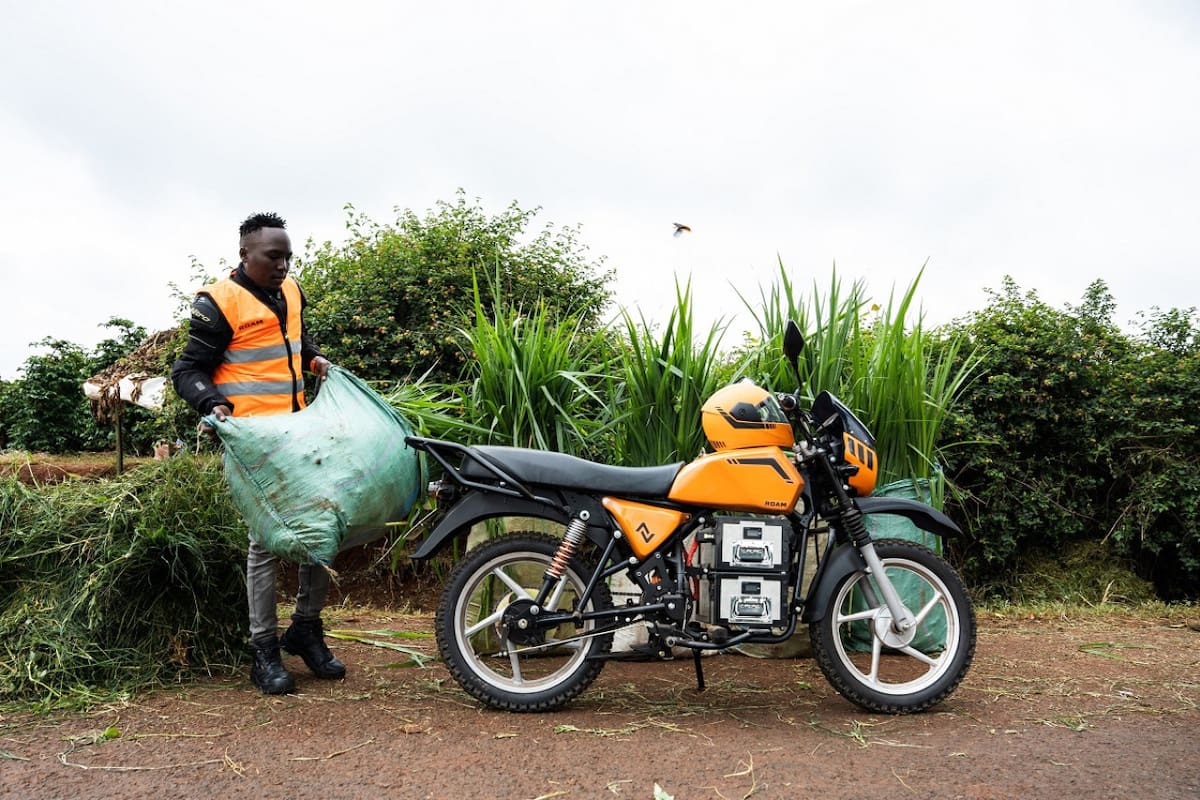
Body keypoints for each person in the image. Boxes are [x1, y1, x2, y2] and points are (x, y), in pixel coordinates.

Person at [171, 211, 344, 695]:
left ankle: (306, 628)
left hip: (299, 432)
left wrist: (314, 359)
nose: (283, 266)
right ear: (245, 253)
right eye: (273, 257)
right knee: (265, 543)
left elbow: (294, 342)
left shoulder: (292, 292)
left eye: (288, 257)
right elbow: (187, 371)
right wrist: (212, 403)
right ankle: (264, 649)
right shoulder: (218, 302)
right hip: (253, 441)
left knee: (322, 527)